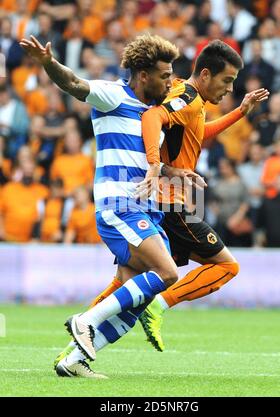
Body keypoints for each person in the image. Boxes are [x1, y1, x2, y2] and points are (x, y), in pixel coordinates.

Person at [54, 40, 269, 372]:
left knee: (130, 289)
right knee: (182, 272)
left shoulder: (184, 102)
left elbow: (194, 133)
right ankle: (93, 321)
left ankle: (73, 357)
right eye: (227, 81)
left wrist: (239, 113)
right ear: (207, 74)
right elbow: (148, 114)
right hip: (156, 200)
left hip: (151, 201)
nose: (171, 81)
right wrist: (157, 166)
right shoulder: (180, 97)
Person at [20, 33, 180, 378]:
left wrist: (174, 173)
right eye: (164, 75)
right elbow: (75, 83)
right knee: (167, 273)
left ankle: (74, 361)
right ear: (143, 76)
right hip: (120, 206)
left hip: (145, 210)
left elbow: (145, 161)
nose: (170, 81)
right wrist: (48, 63)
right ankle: (84, 321)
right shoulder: (112, 96)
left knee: (135, 298)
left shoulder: (154, 115)